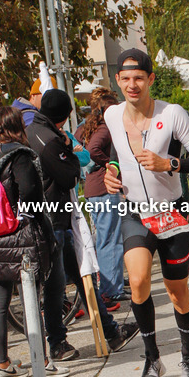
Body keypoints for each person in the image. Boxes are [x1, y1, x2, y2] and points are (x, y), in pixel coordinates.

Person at [103, 48, 189, 377]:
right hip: (135, 212)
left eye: (139, 79)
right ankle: (151, 359)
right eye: (126, 79)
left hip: (172, 212)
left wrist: (169, 164)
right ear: (118, 80)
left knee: (177, 292)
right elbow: (117, 153)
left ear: (150, 80)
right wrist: (112, 172)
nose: (133, 85)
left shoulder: (172, 114)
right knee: (139, 280)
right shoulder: (112, 115)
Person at [27, 89, 136, 359]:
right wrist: (72, 154)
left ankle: (111, 332)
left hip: (51, 216)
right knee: (59, 283)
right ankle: (57, 342)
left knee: (81, 276)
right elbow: (69, 175)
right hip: (56, 219)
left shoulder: (32, 130)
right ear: (64, 117)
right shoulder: (52, 139)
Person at [0, 106, 69, 377]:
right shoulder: (19, 155)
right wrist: (33, 218)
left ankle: (2, 365)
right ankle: (41, 362)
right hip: (20, 238)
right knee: (30, 300)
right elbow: (30, 192)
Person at [77, 88, 127, 308]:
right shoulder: (105, 128)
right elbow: (93, 148)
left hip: (92, 190)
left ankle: (111, 283)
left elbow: (79, 143)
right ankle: (111, 290)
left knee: (103, 239)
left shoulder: (85, 127)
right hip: (104, 189)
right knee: (111, 240)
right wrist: (110, 164)